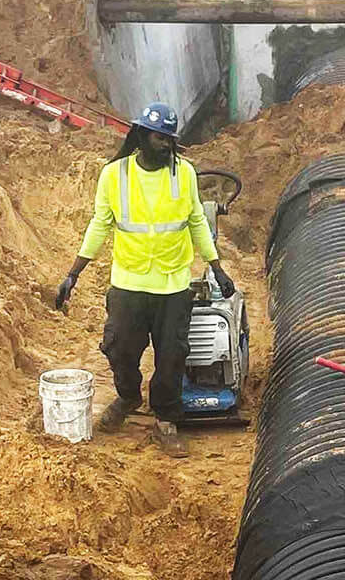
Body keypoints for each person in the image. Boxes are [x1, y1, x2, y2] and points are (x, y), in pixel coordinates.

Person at [55, 101, 234, 458]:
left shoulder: (183, 174)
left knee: (172, 356)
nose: (165, 145)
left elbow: (197, 221)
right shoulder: (114, 175)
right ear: (140, 135)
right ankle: (128, 396)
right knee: (119, 347)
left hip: (172, 284)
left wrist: (216, 266)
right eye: (158, 137)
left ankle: (166, 418)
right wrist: (73, 274)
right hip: (129, 283)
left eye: (169, 139)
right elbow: (99, 225)